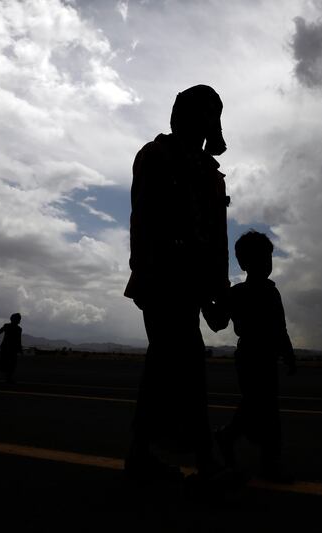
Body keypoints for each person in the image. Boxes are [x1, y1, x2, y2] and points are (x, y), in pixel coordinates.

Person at [123, 85, 230, 482]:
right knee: (186, 366)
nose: (205, 122)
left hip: (193, 284)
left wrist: (218, 291)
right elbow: (144, 223)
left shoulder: (209, 173)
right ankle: (206, 460)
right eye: (200, 112)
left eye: (211, 114)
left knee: (165, 369)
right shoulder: (155, 157)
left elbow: (215, 238)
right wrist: (147, 275)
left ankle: (141, 457)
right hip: (163, 280)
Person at [213, 231, 297, 483]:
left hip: (267, 358)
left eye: (268, 259)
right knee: (259, 406)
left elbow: (280, 328)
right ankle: (236, 441)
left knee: (264, 409)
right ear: (244, 263)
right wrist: (212, 298)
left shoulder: (272, 292)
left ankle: (247, 449)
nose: (266, 264)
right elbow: (218, 323)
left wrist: (288, 354)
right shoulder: (237, 293)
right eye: (260, 259)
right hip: (249, 356)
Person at [0, 313, 23, 384]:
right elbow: (18, 340)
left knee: (10, 364)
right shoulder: (14, 328)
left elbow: (18, 340)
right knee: (5, 363)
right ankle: (1, 377)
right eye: (18, 319)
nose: (19, 320)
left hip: (9, 348)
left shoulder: (14, 328)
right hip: (7, 349)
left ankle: (4, 377)